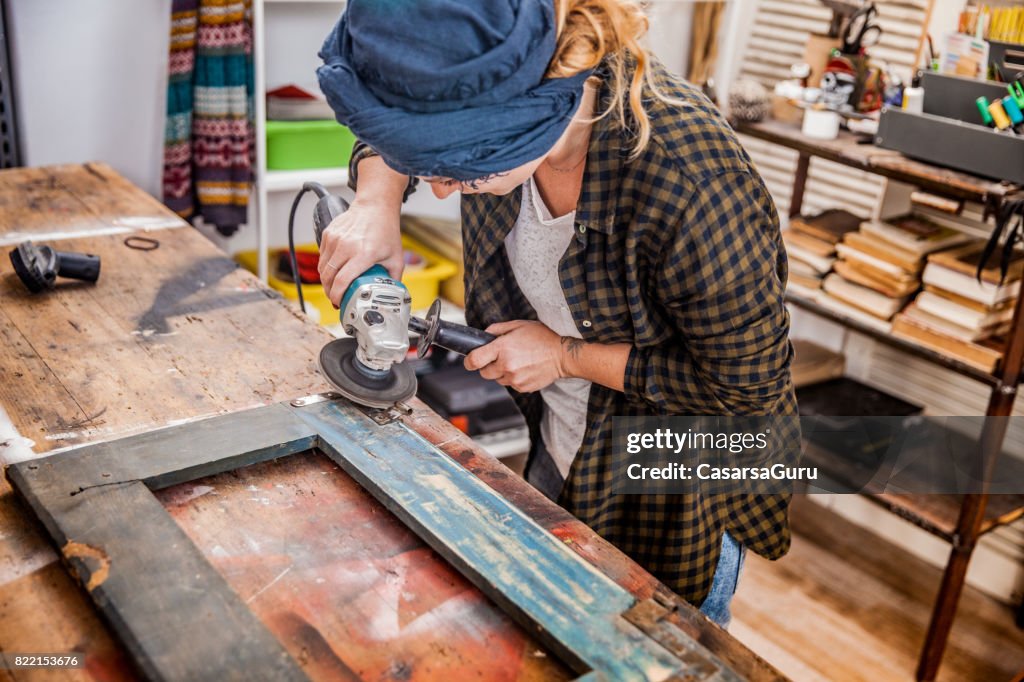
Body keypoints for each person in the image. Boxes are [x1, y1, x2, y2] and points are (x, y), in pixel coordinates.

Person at [316, 0, 796, 629]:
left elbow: (746, 395)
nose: (436, 191)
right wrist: (378, 197)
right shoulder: (495, 87)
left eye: (461, 171)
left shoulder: (692, 182)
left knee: (646, 651)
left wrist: (566, 356)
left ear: (531, 117)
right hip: (556, 443)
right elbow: (406, 97)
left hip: (666, 488)